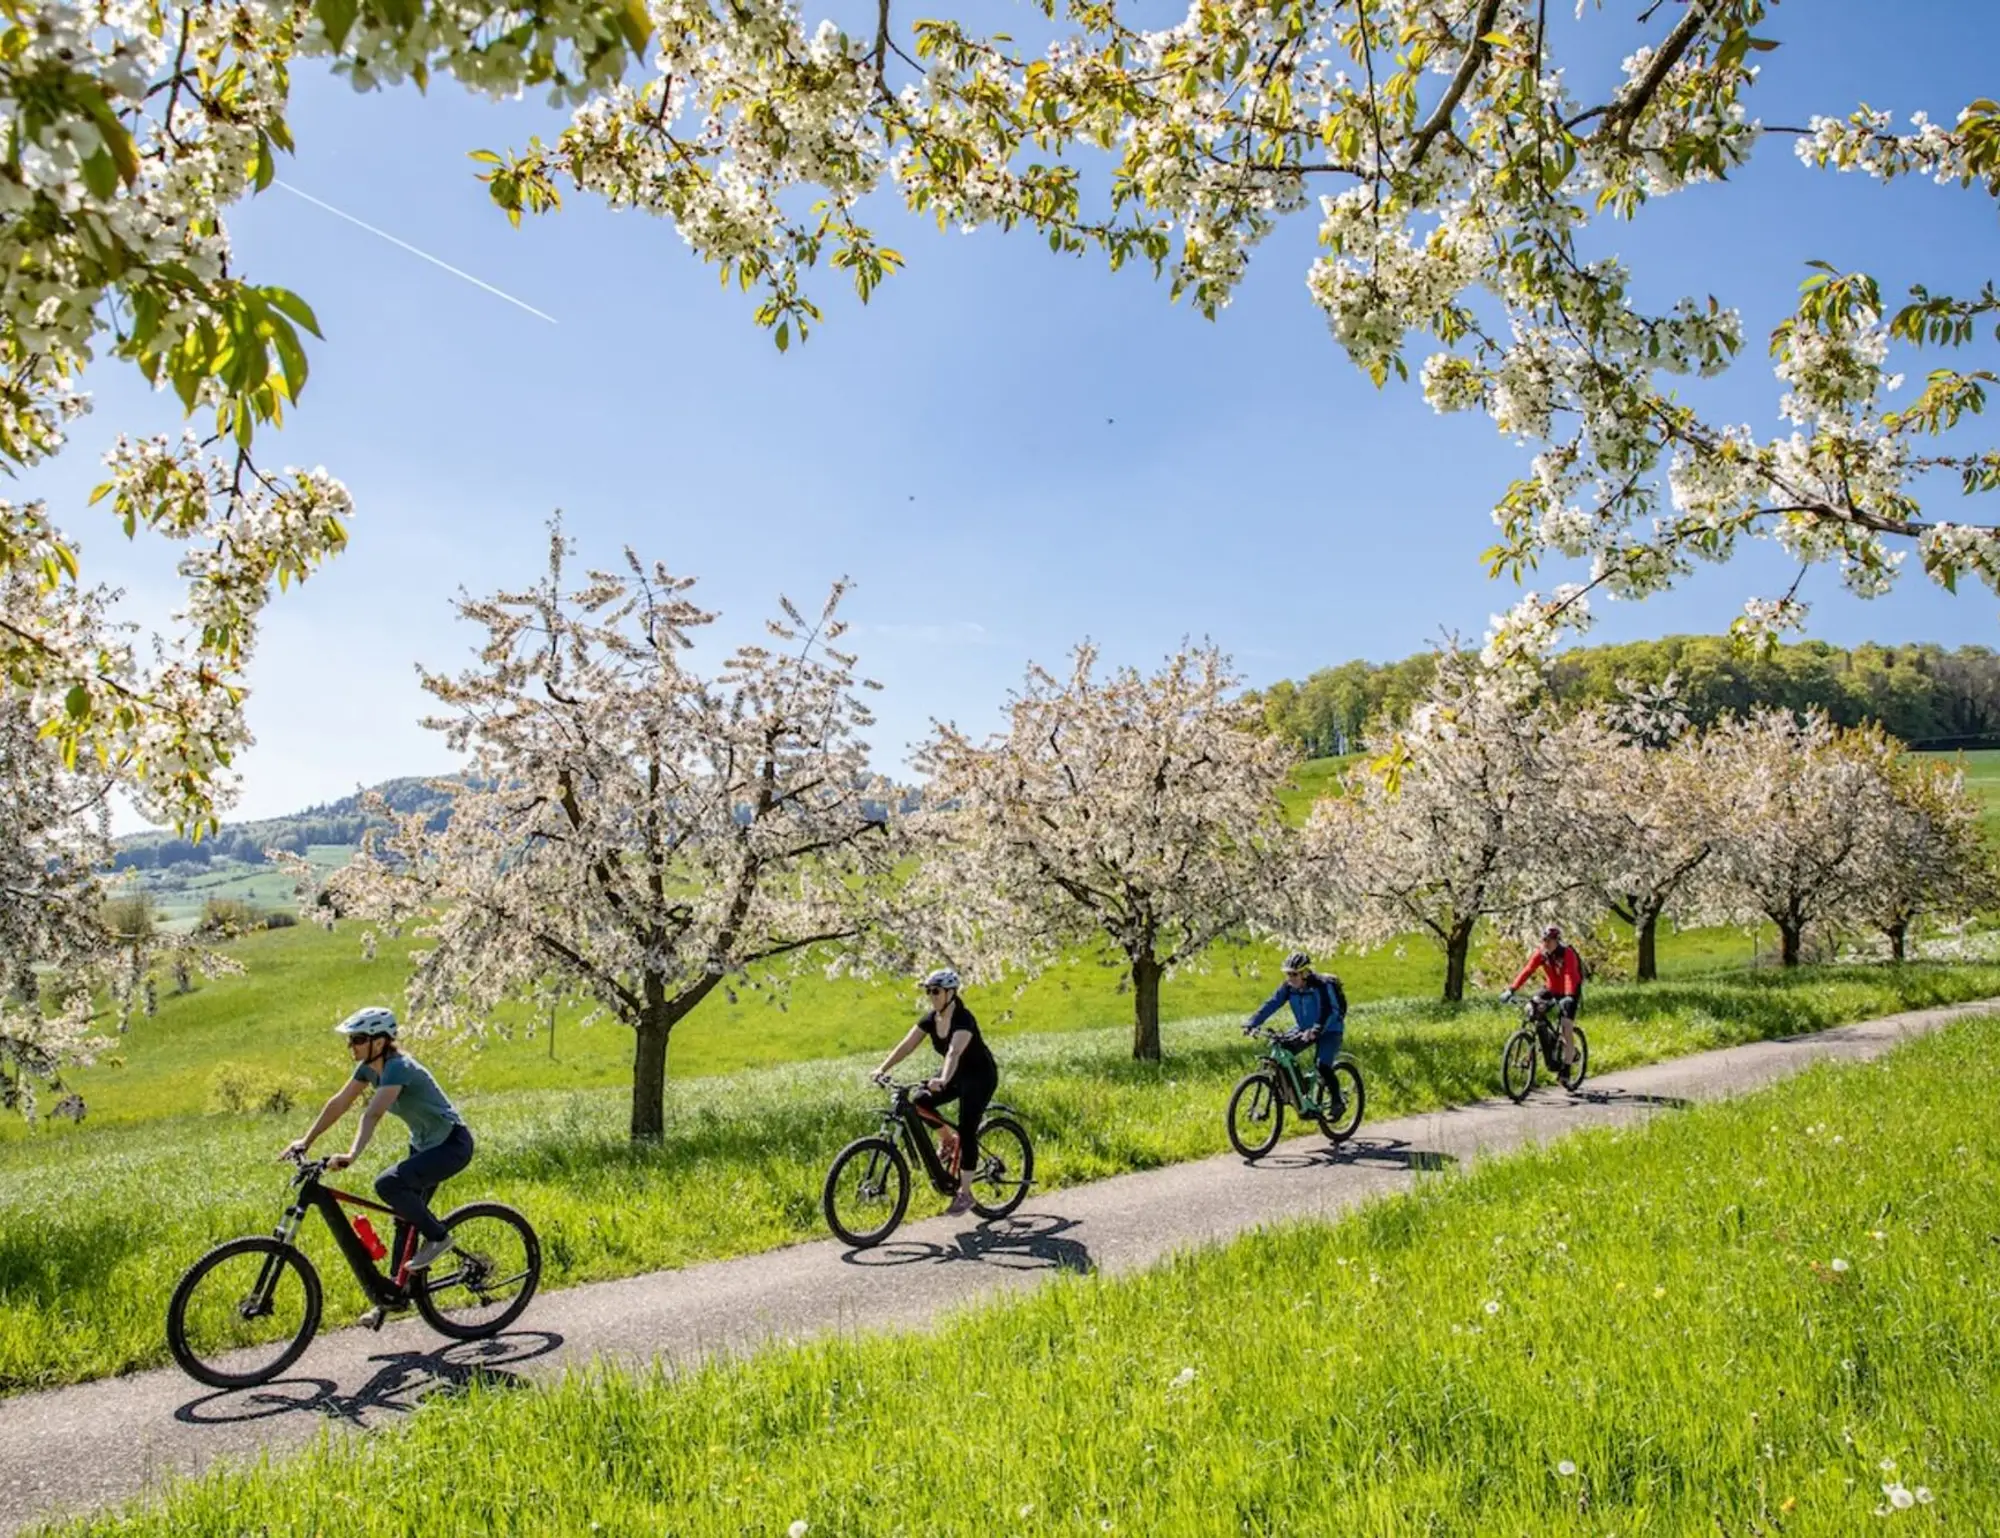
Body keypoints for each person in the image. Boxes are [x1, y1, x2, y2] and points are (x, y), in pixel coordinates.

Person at [281, 1006, 473, 1273]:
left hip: (451, 1145)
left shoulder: (398, 1068)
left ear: (380, 1041)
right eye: (351, 1039)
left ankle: (439, 1238)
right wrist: (306, 1140)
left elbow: (373, 1114)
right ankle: (395, 1297)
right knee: (405, 1218)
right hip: (423, 1145)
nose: (352, 1045)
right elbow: (339, 1102)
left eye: (359, 1039)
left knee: (388, 1184)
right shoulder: (369, 1069)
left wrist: (351, 1155)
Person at [873, 968, 999, 1217]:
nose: (931, 996)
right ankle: (947, 1139)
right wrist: (882, 1068)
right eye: (928, 991)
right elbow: (907, 1045)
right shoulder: (931, 1019)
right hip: (955, 1076)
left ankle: (965, 1193)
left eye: (936, 991)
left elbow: (953, 1052)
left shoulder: (964, 1019)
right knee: (919, 1100)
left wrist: (942, 1079)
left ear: (950, 993)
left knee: (967, 1128)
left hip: (979, 1076)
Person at [1242, 950, 1349, 1113]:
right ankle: (1300, 1091)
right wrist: (1252, 1022)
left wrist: (1316, 1029)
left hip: (1330, 1029)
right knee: (1283, 1050)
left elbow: (1331, 1011)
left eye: (1294, 974)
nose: (1290, 978)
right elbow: (1272, 1003)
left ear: (1305, 973)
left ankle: (1337, 1101)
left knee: (1323, 1066)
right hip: (1304, 1028)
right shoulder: (1288, 987)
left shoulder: (1322, 986)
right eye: (1288, 974)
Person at [1500, 925, 1584, 1069]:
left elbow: (1570, 975)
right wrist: (1511, 989)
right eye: (1544, 940)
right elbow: (1527, 971)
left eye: (1549, 940)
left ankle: (1567, 1067)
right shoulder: (1541, 953)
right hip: (1551, 988)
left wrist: (1569, 996)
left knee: (1566, 1027)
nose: (1546, 943)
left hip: (1570, 991)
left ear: (1557, 941)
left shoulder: (1567, 953)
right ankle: (1548, 1042)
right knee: (1532, 1009)